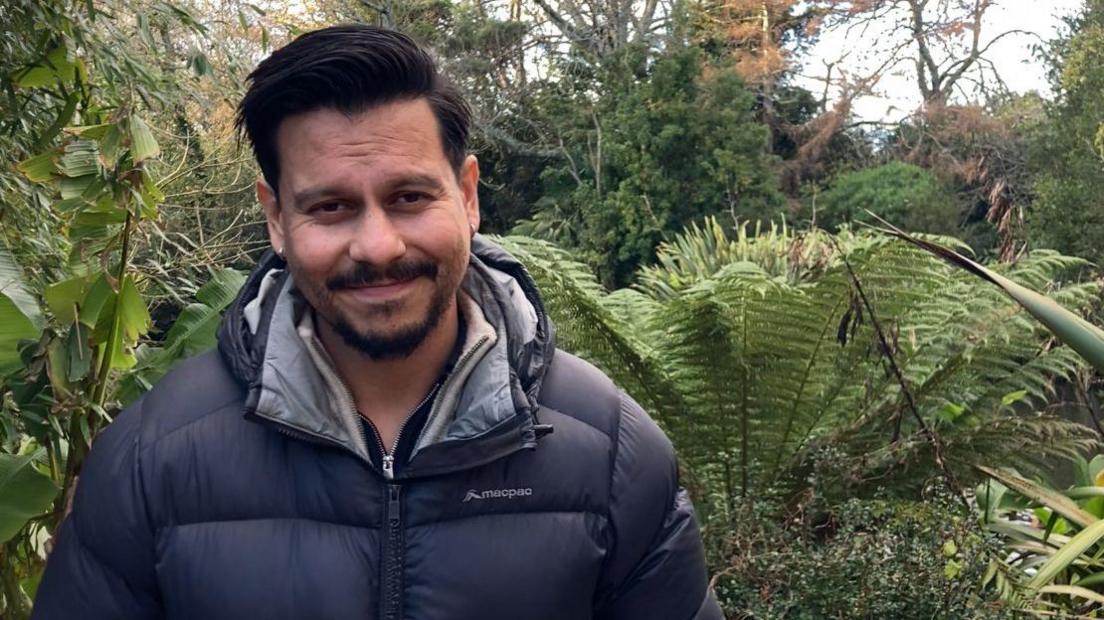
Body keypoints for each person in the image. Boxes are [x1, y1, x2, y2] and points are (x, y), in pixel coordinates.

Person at [32, 24, 722, 620]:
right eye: (330, 207)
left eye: (410, 197)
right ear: (276, 218)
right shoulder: (149, 463)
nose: (378, 246)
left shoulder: (613, 456)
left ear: (468, 195)